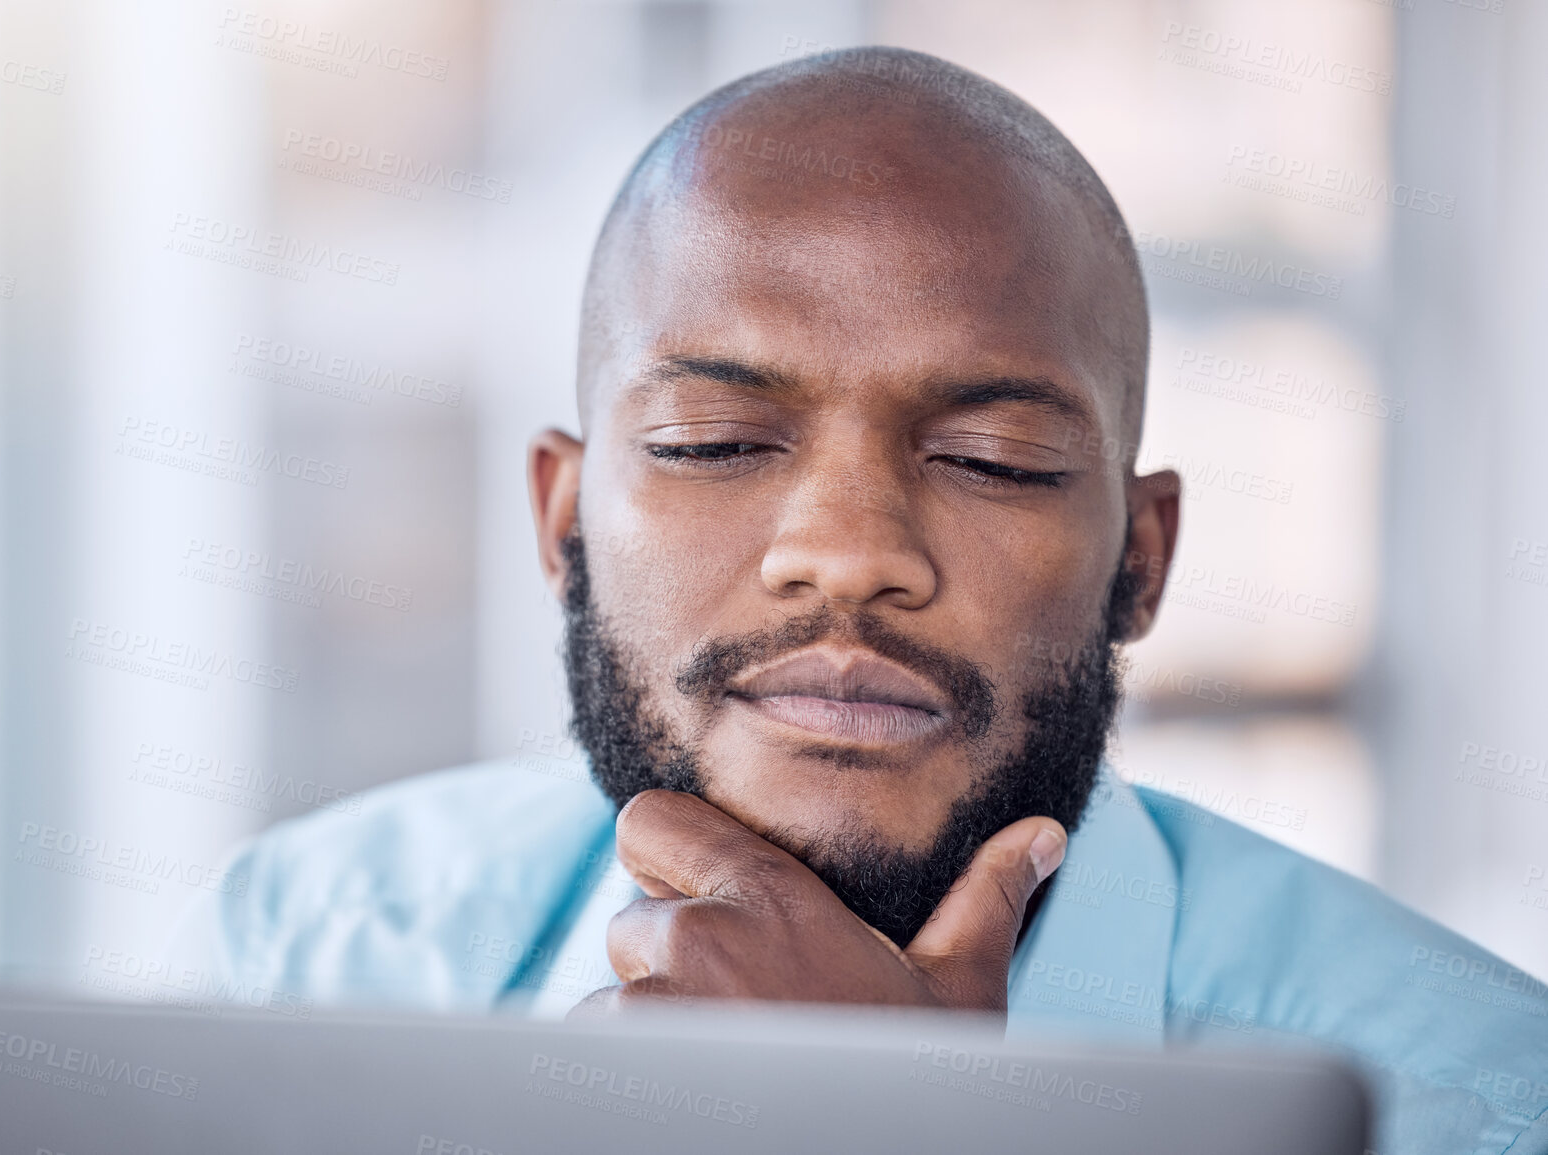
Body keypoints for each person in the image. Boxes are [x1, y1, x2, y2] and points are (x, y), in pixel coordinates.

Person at [178, 47, 1548, 1154]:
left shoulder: (1471, 1108)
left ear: (1140, 559)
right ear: (562, 521)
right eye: (714, 442)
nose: (846, 554)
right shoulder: (305, 954)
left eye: (990, 461)